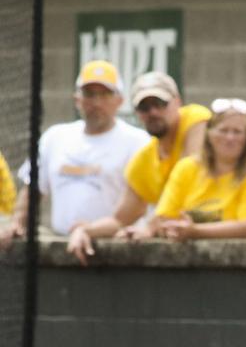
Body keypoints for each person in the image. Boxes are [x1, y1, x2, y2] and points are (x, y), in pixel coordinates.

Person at [65, 71, 211, 264]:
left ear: (177, 102)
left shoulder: (195, 120)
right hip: (183, 252)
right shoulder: (143, 161)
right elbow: (120, 220)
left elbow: (189, 177)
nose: (153, 113)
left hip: (216, 234)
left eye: (160, 104)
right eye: (144, 107)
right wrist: (84, 230)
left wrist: (150, 228)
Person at [3, 61, 148, 246]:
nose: (96, 102)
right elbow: (32, 189)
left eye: (105, 94)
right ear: (77, 99)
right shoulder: (55, 137)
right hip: (63, 244)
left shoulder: (138, 142)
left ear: (120, 100)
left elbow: (137, 208)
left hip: (117, 247)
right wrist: (17, 222)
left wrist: (91, 230)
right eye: (89, 94)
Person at [145, 98, 246, 241]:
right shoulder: (187, 168)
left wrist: (196, 231)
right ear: (209, 134)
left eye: (237, 132)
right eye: (223, 130)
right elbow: (163, 217)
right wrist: (147, 232)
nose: (230, 138)